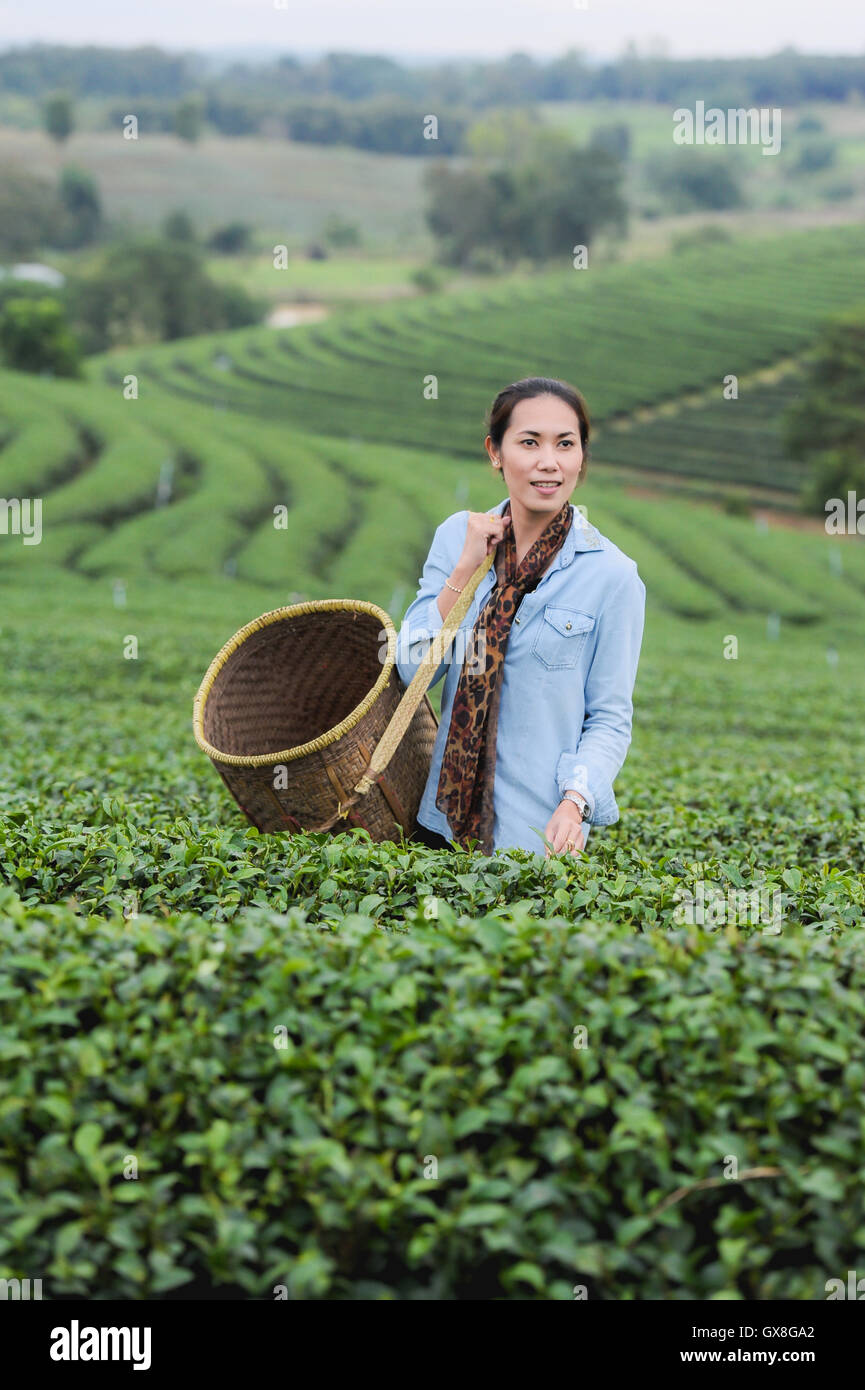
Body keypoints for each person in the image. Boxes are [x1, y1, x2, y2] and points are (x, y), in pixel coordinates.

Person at [396, 376, 646, 860]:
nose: (548, 462)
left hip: (535, 841)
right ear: (495, 452)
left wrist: (575, 804)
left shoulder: (612, 576)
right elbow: (411, 672)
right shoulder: (457, 539)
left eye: (565, 444)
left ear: (581, 456)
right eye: (529, 442)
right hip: (437, 826)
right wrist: (467, 568)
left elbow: (610, 718)